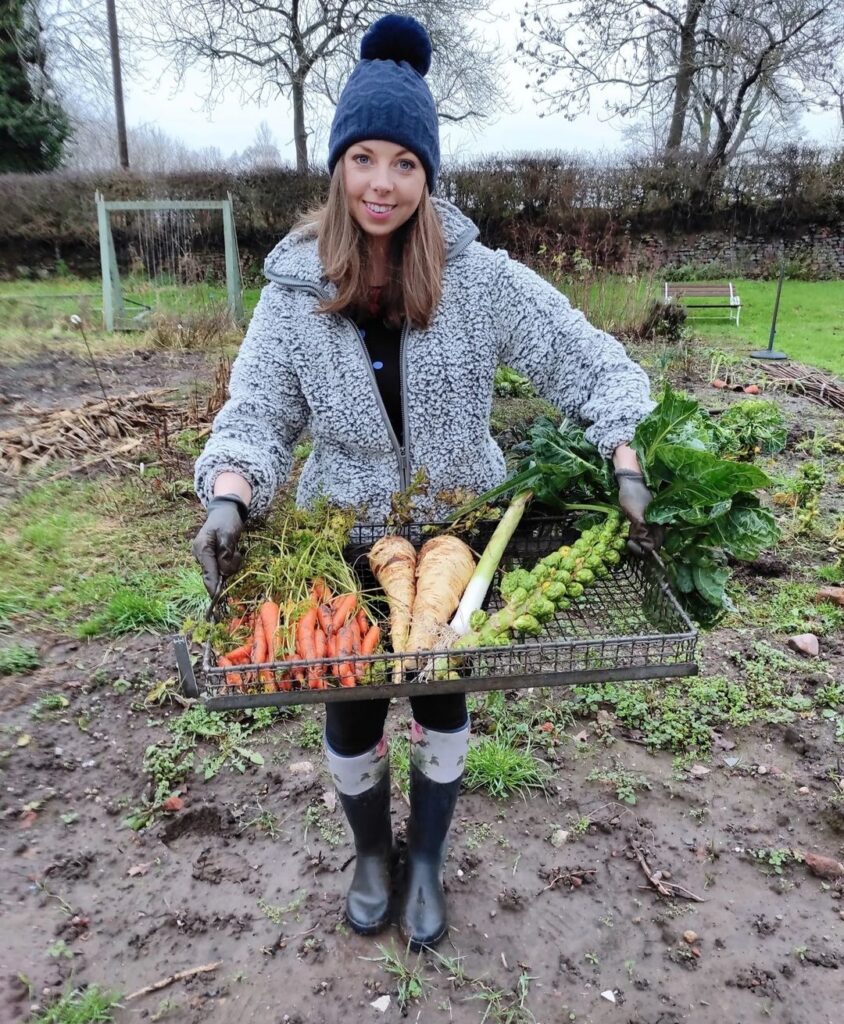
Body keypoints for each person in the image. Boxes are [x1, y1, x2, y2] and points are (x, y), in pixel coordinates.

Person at [191, 14, 660, 951]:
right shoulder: (292, 297)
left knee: (443, 696)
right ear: (337, 168)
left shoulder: (481, 281)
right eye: (363, 158)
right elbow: (257, 414)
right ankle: (372, 854)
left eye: (404, 164)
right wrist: (230, 493)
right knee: (352, 700)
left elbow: (588, 361)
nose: (381, 183)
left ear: (427, 176)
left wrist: (625, 451)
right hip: (344, 530)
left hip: (458, 532)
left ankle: (431, 860)